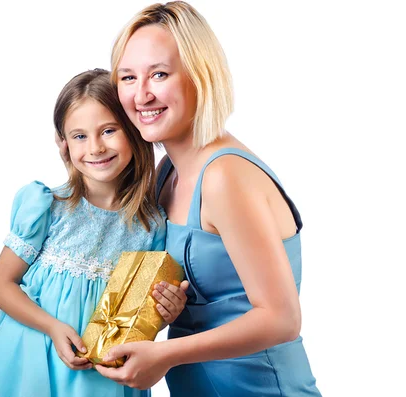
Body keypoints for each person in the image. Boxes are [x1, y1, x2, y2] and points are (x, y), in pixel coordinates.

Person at [90, 2, 322, 396]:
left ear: (200, 76)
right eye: (127, 77)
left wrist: (166, 355)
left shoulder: (224, 176)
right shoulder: (166, 174)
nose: (141, 94)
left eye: (159, 74)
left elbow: (282, 319)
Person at [0, 68, 188, 397]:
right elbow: (1, 286)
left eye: (108, 130)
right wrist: (53, 327)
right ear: (63, 143)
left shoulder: (152, 225)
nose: (96, 147)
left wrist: (165, 312)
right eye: (80, 136)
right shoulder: (47, 206)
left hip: (99, 379)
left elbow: (138, 319)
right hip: (30, 360)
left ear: (133, 129)